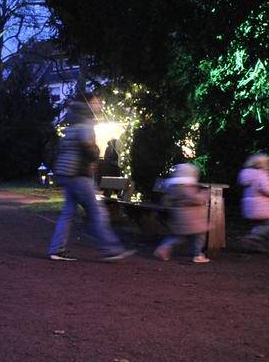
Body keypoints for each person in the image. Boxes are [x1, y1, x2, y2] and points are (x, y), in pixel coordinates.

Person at [46, 96, 134, 262]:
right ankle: (111, 249)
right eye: (96, 102)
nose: (99, 105)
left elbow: (63, 149)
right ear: (88, 105)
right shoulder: (86, 125)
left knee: (68, 212)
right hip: (79, 174)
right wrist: (95, 152)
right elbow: (87, 145)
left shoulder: (72, 125)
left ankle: (56, 249)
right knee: (97, 211)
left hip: (65, 172)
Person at [154, 164, 210, 263]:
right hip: (192, 217)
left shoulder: (173, 187)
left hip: (178, 215)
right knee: (199, 235)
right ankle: (198, 254)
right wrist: (204, 195)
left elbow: (167, 200)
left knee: (179, 236)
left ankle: (164, 247)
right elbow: (194, 199)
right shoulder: (186, 187)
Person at [238, 153, 269, 252]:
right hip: (262, 207)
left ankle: (253, 246)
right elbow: (268, 190)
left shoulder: (246, 174)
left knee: (257, 225)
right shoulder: (262, 175)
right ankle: (252, 238)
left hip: (250, 207)